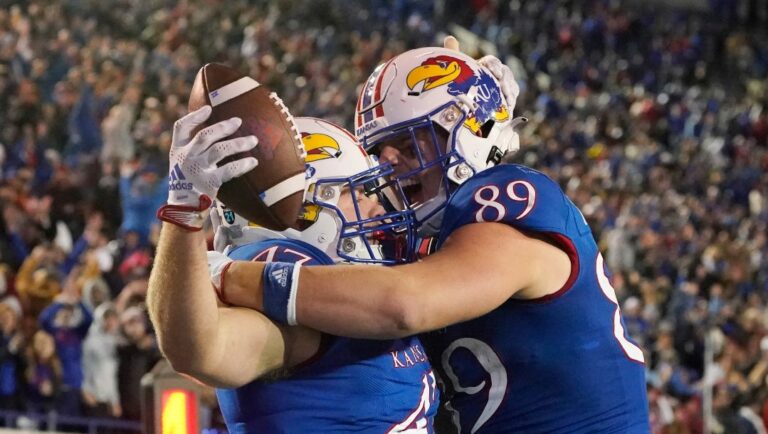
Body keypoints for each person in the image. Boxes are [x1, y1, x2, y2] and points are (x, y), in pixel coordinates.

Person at [207, 44, 650, 433]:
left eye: (409, 141)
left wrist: (232, 277)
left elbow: (404, 305)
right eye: (381, 149)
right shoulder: (428, 238)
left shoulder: (507, 197)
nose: (389, 162)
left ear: (467, 131)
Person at [148, 110, 438, 432]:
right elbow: (200, 349)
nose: (377, 209)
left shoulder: (350, 288)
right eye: (353, 193)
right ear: (299, 216)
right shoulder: (289, 285)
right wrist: (185, 210)